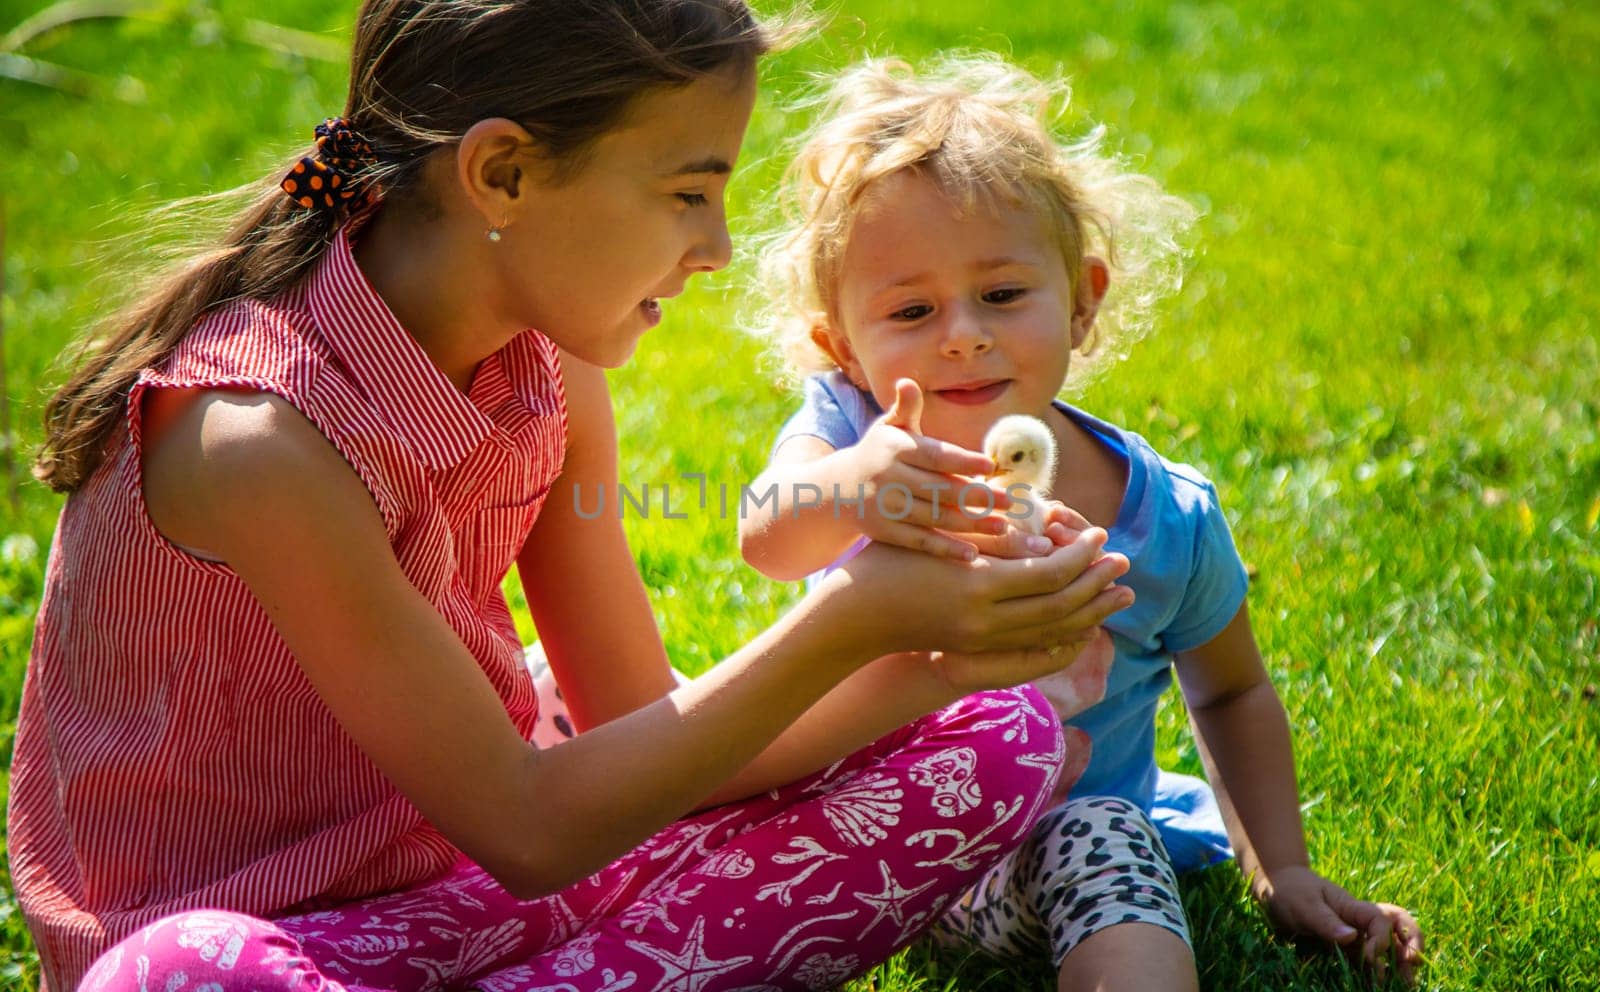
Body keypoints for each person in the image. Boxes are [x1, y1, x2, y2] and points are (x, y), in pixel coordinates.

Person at [9, 8, 1135, 990]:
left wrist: (931, 657)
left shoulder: (550, 372)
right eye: (688, 191)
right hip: (258, 945)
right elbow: (532, 828)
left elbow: (635, 730)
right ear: (501, 173)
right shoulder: (259, 441)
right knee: (176, 978)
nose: (717, 247)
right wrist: (853, 618)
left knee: (992, 733)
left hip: (463, 894)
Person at [742, 55, 1426, 990]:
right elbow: (766, 536)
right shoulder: (850, 434)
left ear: (1084, 299)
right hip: (857, 839)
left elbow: (1229, 693)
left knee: (1105, 835)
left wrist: (1281, 866)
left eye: (1002, 294)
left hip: (1037, 857)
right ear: (841, 346)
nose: (962, 334)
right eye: (910, 309)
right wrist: (849, 490)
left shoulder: (1166, 519)